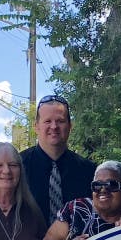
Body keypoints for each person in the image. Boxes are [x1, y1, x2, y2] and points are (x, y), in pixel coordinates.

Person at [21, 93, 97, 226]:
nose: (54, 127)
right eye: (47, 121)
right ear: (36, 126)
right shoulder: (18, 167)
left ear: (70, 126)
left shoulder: (90, 171)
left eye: (60, 121)